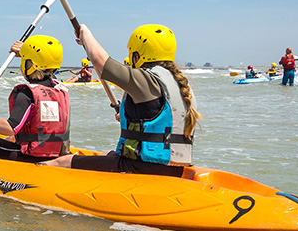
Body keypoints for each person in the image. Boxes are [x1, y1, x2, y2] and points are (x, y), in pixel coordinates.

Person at [41, 24, 202, 177]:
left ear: (137, 54)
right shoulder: (180, 84)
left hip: (140, 167)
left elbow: (99, 60)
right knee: (107, 155)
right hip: (174, 169)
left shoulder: (146, 80)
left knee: (62, 162)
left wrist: (85, 32)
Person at [0, 35, 70, 162]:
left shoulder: (27, 93)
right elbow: (46, 57)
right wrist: (25, 52)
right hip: (54, 153)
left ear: (30, 65)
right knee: (12, 139)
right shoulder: (60, 89)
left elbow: (10, 128)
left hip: (28, 156)